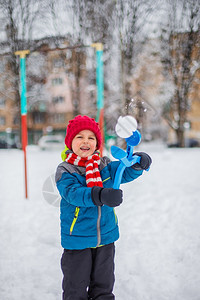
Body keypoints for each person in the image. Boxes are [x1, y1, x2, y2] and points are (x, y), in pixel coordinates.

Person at [55, 115, 152, 300]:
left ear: (97, 143)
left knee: (104, 287)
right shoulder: (65, 170)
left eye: (91, 138)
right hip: (78, 240)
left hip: (106, 237)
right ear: (70, 142)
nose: (86, 141)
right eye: (80, 137)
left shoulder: (104, 165)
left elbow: (124, 170)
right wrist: (100, 195)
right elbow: (73, 194)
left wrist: (138, 164)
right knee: (75, 288)